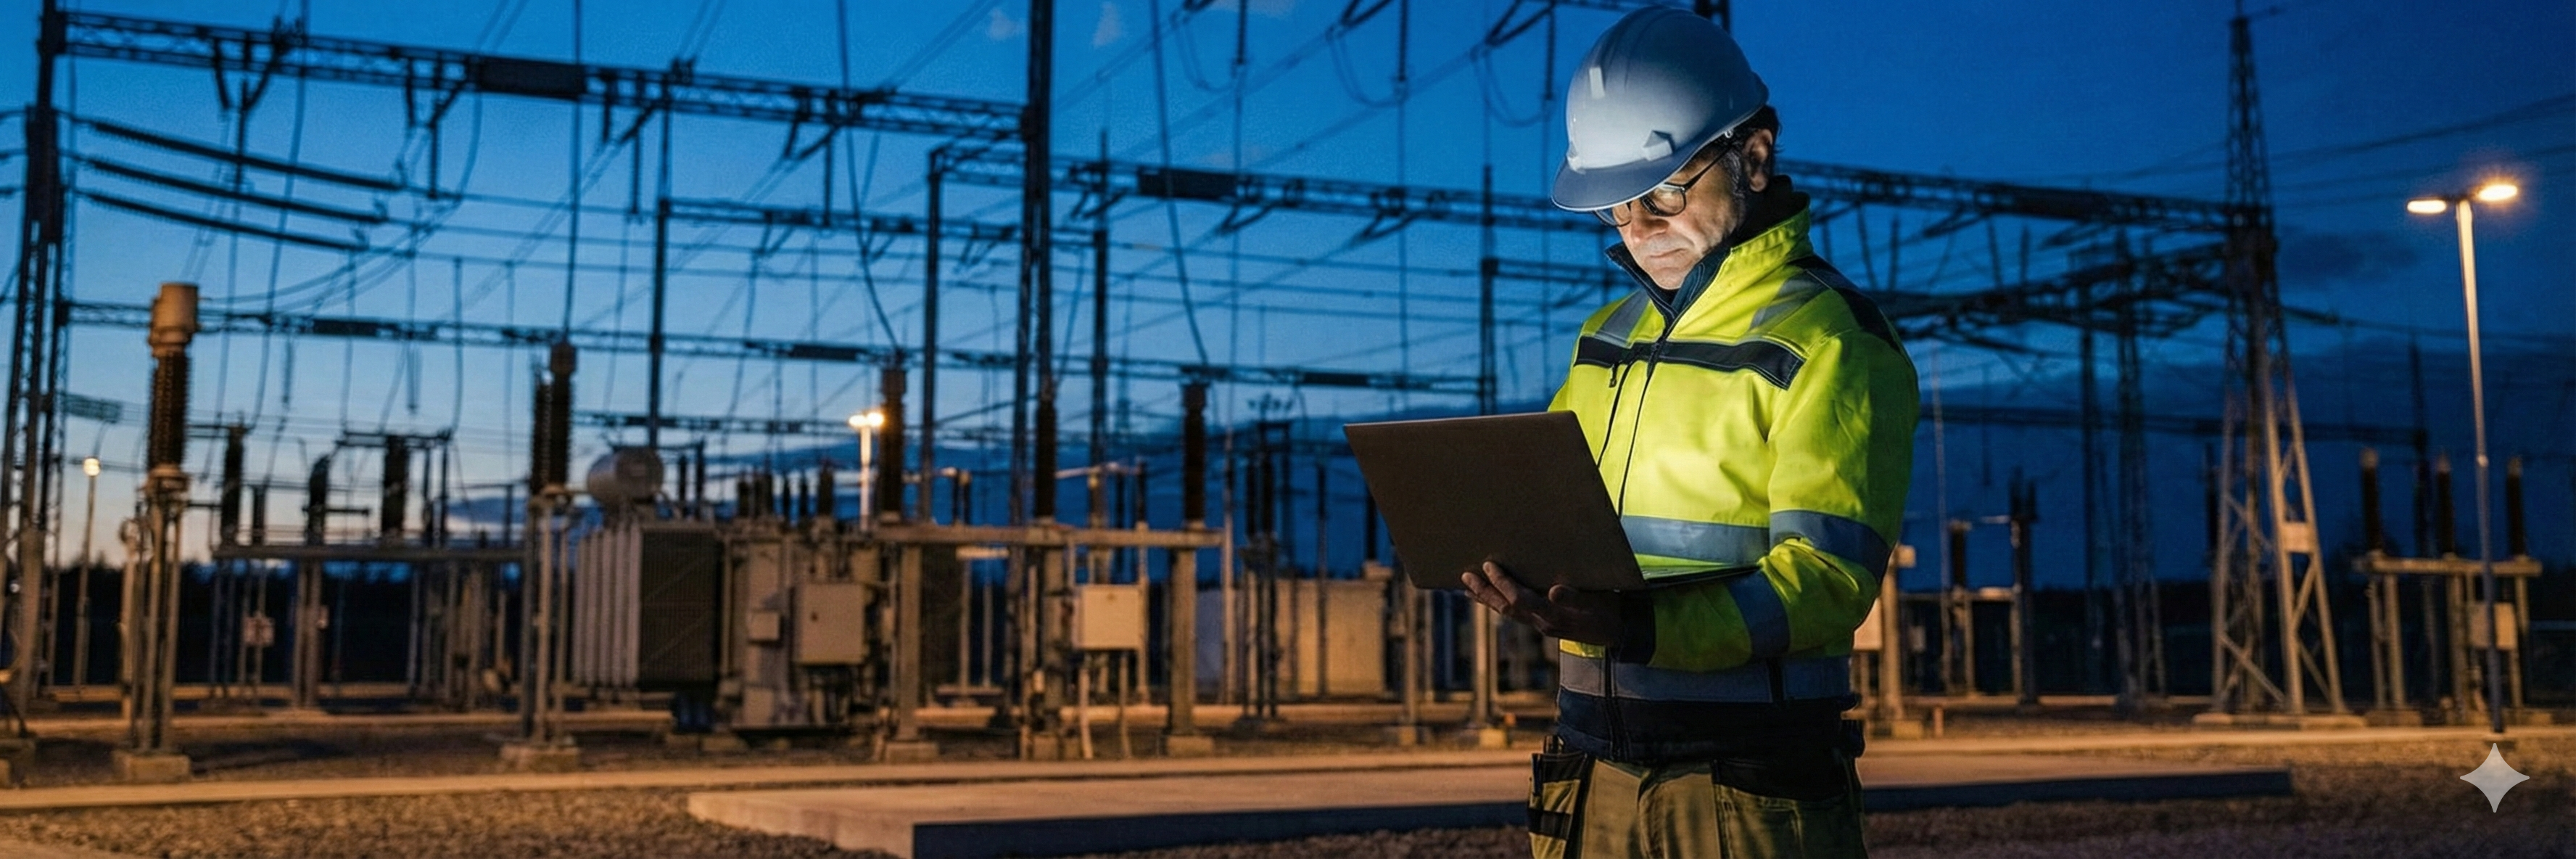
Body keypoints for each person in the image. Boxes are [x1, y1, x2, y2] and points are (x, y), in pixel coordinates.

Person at [1458, 8, 1919, 858]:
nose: (1638, 228)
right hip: (1588, 767)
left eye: (1664, 194)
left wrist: (1637, 628)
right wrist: (1508, 560)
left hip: (1746, 783)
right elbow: (1554, 513)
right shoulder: (1606, 339)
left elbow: (1825, 579)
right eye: (1615, 208)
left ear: (1754, 156)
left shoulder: (1831, 341)